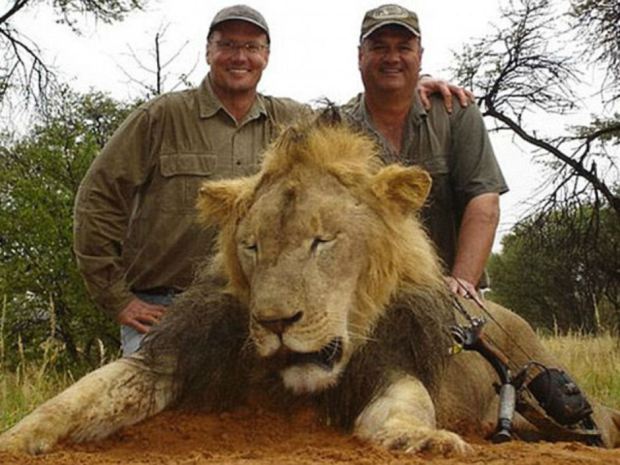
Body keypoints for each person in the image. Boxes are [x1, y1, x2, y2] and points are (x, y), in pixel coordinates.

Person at [74, 4, 474, 356]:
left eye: (252, 47)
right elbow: (97, 200)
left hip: (247, 302)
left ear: (266, 56)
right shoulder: (160, 118)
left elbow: (352, 147)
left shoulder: (294, 122)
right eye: (228, 44)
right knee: (150, 396)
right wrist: (118, 299)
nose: (239, 56)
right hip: (162, 304)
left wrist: (406, 87)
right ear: (208, 51)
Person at [343, 4, 508, 298]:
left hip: (449, 289)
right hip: (365, 297)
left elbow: (484, 201)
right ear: (359, 57)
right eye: (379, 47)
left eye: (404, 48)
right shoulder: (336, 126)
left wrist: (462, 283)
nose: (392, 57)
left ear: (420, 56)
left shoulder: (457, 112)